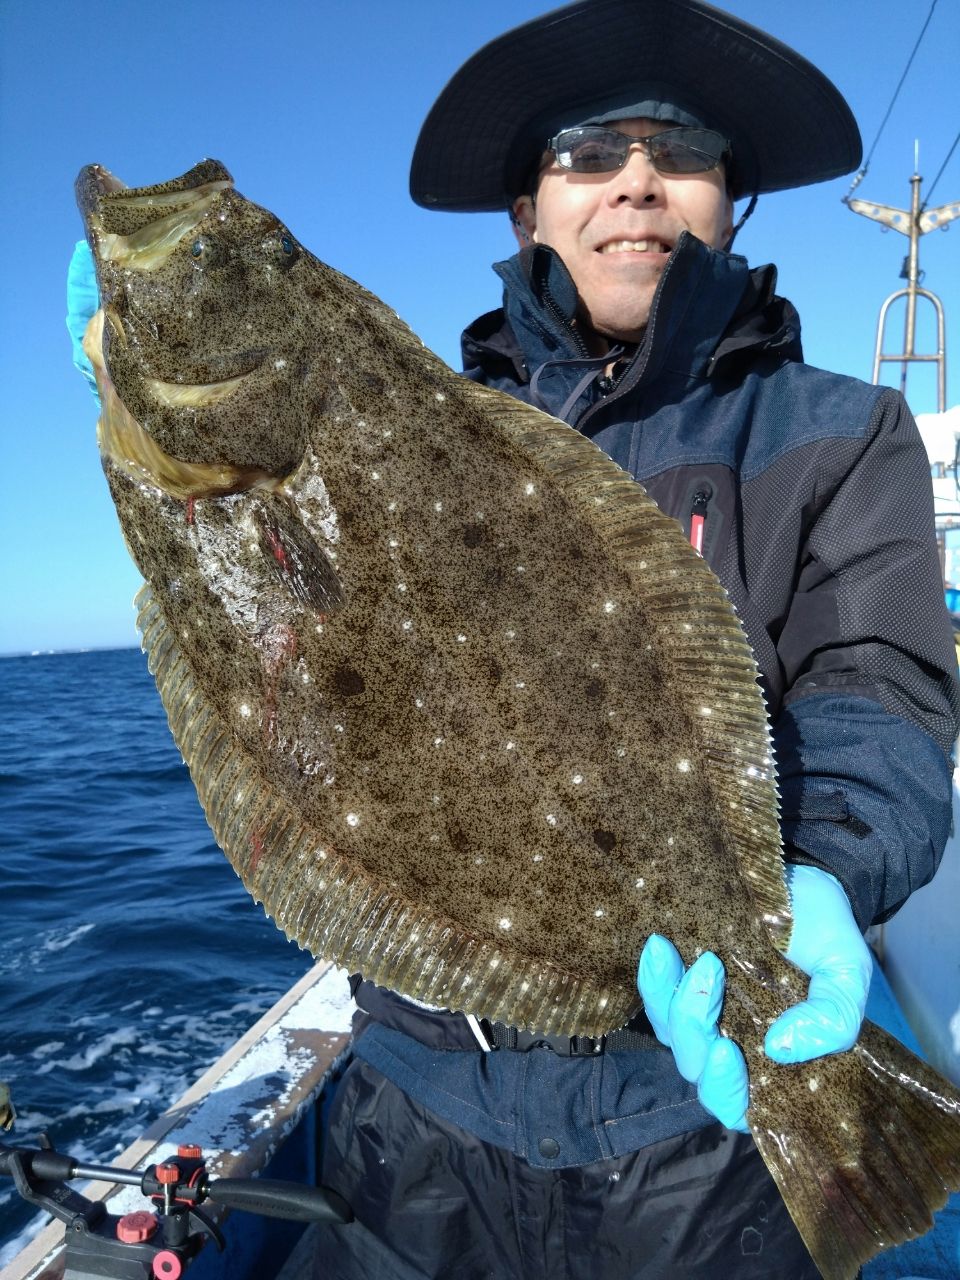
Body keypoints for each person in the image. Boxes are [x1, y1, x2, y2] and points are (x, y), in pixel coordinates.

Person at [67, 3, 959, 1276]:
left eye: (683, 147)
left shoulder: (838, 432)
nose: (636, 179)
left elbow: (880, 687)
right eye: (588, 150)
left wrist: (818, 868)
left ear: (731, 197)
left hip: (693, 1141)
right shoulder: (432, 423)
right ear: (528, 208)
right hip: (414, 1122)